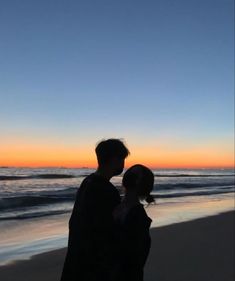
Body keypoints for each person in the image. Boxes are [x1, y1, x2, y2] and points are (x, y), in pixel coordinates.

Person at [60, 138, 130, 281]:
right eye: (122, 159)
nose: (123, 164)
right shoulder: (106, 190)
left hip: (76, 259)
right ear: (114, 159)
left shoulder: (87, 182)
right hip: (93, 266)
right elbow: (109, 231)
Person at [113, 164, 154, 281]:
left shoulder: (139, 217)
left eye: (133, 175)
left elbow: (135, 259)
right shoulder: (115, 204)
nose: (128, 176)